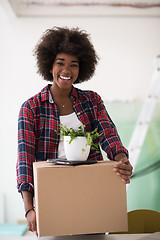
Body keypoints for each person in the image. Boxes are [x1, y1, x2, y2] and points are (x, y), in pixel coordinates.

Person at [16, 27, 133, 235]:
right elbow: (25, 160)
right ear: (50, 65)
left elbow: (109, 135)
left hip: (90, 195)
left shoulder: (91, 101)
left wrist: (122, 160)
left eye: (74, 65)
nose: (66, 70)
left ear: (81, 69)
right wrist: (29, 209)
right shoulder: (31, 108)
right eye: (60, 63)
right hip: (50, 200)